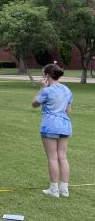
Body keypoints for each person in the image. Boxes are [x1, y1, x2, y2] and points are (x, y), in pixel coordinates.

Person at [31, 63, 73, 198]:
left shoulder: (47, 91)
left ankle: (54, 189)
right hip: (65, 125)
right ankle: (64, 189)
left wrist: (42, 88)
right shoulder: (67, 90)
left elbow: (34, 103)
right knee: (63, 157)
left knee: (52, 157)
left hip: (50, 125)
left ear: (47, 76)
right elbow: (68, 111)